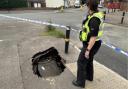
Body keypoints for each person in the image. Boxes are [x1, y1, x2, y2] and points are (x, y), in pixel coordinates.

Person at [72, 0, 104, 88]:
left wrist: (87, 50)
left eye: (87, 5)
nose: (86, 6)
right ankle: (89, 77)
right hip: (93, 43)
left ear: (90, 6)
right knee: (89, 60)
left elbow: (93, 37)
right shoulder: (94, 15)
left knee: (81, 62)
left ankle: (80, 82)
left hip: (91, 44)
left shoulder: (94, 19)